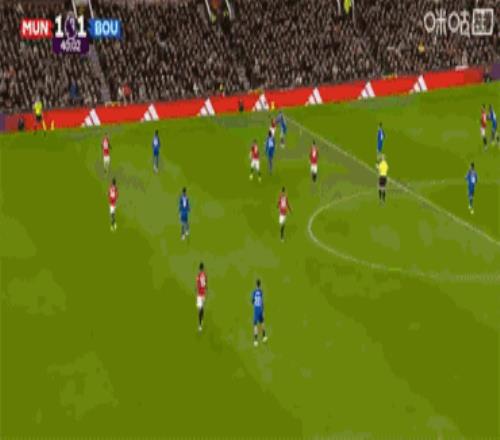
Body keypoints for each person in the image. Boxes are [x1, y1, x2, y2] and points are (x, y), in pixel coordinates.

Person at [252, 279, 267, 347]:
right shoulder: (261, 292)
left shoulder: (254, 292)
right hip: (260, 310)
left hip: (256, 310)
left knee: (255, 325)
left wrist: (254, 302)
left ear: (256, 284)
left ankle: (255, 341)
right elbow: (262, 301)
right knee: (262, 323)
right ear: (260, 284)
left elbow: (252, 301)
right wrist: (263, 310)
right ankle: (264, 337)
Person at [196, 262, 208, 332]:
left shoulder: (198, 275)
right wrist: (206, 290)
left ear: (199, 268)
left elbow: (198, 284)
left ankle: (200, 324)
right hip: (203, 294)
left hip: (200, 294)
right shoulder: (205, 275)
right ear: (203, 268)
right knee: (201, 308)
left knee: (199, 309)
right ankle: (201, 322)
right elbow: (206, 284)